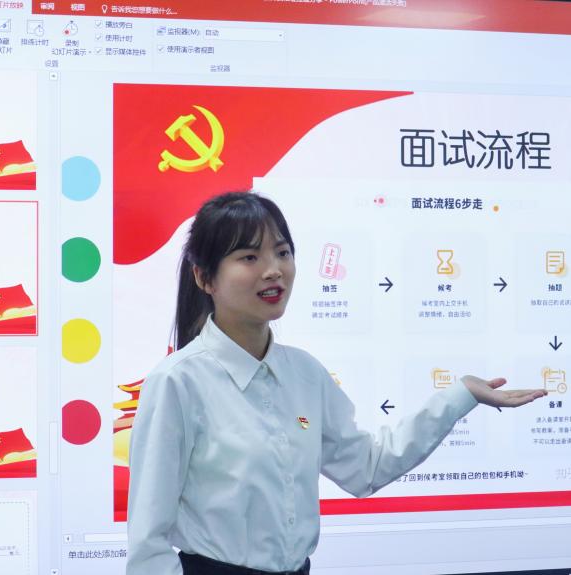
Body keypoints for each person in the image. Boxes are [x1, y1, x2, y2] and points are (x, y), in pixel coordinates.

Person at [126, 192, 546, 575]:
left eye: (282, 252)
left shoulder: (305, 373)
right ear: (204, 278)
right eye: (249, 257)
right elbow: (148, 543)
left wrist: (460, 395)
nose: (274, 270)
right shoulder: (177, 381)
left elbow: (366, 468)